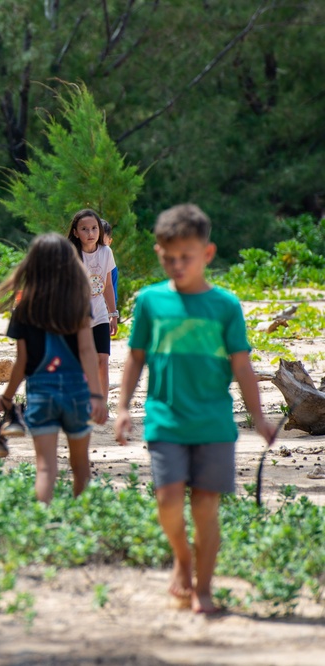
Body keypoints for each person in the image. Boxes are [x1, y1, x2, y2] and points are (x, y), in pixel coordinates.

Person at [115, 204, 274, 614]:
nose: (177, 264)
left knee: (205, 508)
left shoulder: (225, 305)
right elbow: (135, 357)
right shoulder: (150, 301)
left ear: (207, 254)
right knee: (168, 501)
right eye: (169, 257)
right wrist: (122, 408)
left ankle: (204, 588)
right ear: (159, 253)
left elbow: (242, 366)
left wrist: (259, 418)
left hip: (214, 423)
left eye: (186, 257)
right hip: (165, 419)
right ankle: (182, 558)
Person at [0, 233, 108, 504]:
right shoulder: (78, 305)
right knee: (80, 466)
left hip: (41, 394)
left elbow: (21, 363)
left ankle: (43, 526)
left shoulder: (24, 310)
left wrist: (7, 397)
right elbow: (87, 351)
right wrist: (97, 395)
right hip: (77, 393)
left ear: (33, 265)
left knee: (45, 468)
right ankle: (82, 523)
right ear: (70, 264)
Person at [67, 209, 118, 402]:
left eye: (94, 228)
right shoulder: (71, 254)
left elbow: (107, 286)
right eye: (85, 229)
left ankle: (101, 405)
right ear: (75, 232)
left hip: (100, 315)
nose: (90, 233)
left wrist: (113, 313)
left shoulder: (106, 252)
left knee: (102, 359)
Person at [100, 219, 118, 308]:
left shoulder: (112, 268)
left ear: (110, 242)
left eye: (102, 244)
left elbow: (112, 292)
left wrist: (112, 315)